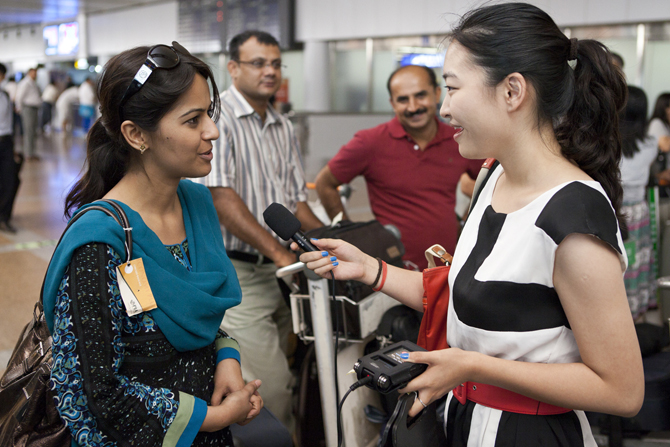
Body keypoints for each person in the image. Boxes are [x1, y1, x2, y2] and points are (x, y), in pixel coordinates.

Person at [297, 3, 644, 446]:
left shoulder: (573, 215)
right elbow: (475, 300)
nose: (444, 108)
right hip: (467, 420)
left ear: (512, 91)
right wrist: (371, 270)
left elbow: (622, 390)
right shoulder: (493, 175)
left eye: (452, 88)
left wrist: (473, 366)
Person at [43, 42, 264, 447]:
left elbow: (198, 317)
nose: (212, 131)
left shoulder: (196, 206)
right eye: (193, 120)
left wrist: (226, 357)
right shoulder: (100, 244)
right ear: (136, 134)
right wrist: (210, 419)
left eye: (209, 116)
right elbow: (92, 395)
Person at [194, 30, 322, 434]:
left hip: (283, 273)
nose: (270, 71)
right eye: (258, 63)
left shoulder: (283, 125)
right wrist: (283, 254)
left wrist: (333, 240)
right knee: (274, 386)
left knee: (297, 364)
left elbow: (295, 200)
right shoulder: (218, 120)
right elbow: (222, 199)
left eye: (275, 63)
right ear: (233, 68)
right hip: (242, 272)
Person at [315, 64, 482, 271]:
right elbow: (325, 184)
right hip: (392, 271)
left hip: (446, 268)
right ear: (392, 103)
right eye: (403, 99)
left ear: (438, 93)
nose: (413, 107)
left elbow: (491, 179)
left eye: (420, 96)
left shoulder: (458, 139)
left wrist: (467, 221)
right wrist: (351, 236)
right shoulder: (370, 142)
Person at [620, 86, 659, 318]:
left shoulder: (607, 143)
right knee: (636, 263)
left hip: (614, 210)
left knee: (616, 264)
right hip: (639, 212)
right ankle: (634, 309)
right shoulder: (651, 144)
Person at [0, 62, 20, 233]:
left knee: (10, 180)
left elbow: (9, 123)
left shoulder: (5, 95)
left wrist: (13, 147)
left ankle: (4, 218)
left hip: (6, 142)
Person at [14, 68, 41, 160]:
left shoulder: (33, 83)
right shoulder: (25, 83)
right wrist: (20, 109)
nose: (35, 75)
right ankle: (28, 154)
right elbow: (19, 97)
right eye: (33, 73)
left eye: (36, 73)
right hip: (27, 109)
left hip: (34, 109)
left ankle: (32, 152)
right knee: (28, 131)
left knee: (33, 131)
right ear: (29, 73)